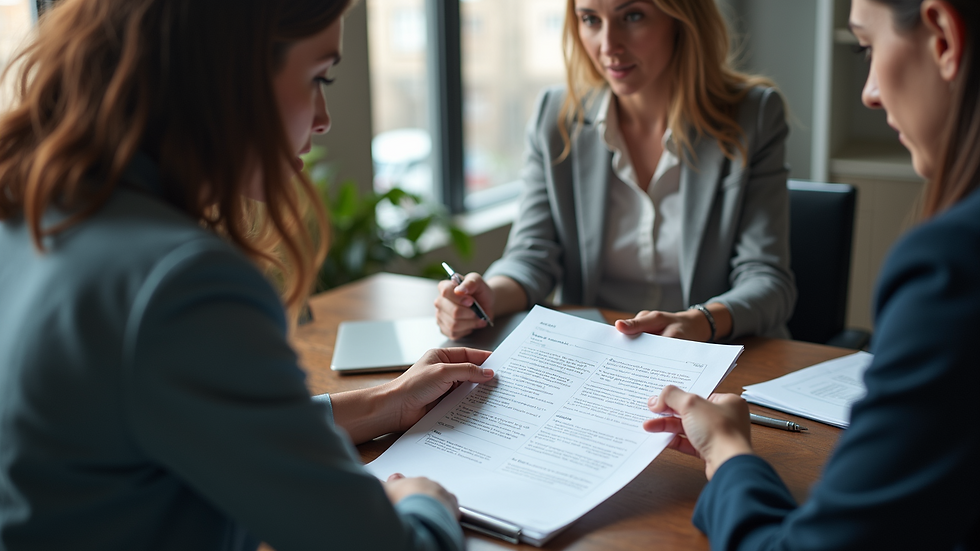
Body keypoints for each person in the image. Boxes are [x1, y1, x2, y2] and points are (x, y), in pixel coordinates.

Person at [0, 1, 496, 550]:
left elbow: (191, 419)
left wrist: (385, 402)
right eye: (318, 76)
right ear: (228, 74)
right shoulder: (181, 283)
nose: (325, 116)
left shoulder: (32, 210)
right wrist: (423, 503)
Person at [643, 0, 980, 548]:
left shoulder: (950, 264)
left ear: (942, 37)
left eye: (868, 47)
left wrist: (728, 454)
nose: (869, 91)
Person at [434, 0, 796, 343]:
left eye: (633, 16)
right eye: (591, 19)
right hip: (598, 355)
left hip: (715, 352)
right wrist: (488, 296)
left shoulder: (754, 115)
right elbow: (532, 254)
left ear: (682, 18)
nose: (608, 46)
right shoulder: (556, 115)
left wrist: (699, 321)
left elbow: (767, 280)